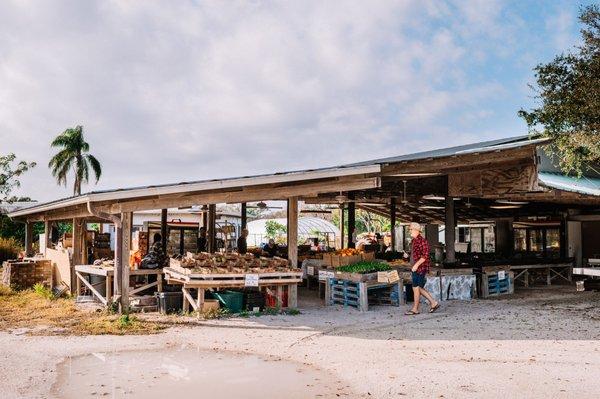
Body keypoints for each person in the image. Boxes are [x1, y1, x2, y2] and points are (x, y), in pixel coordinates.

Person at [404, 222, 440, 315]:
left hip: (420, 268)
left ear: (416, 230)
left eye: (411, 229)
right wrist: (407, 255)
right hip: (414, 268)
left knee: (417, 287)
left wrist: (416, 265)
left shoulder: (422, 241)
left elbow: (425, 256)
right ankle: (419, 307)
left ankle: (431, 303)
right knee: (416, 288)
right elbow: (414, 254)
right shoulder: (413, 241)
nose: (410, 231)